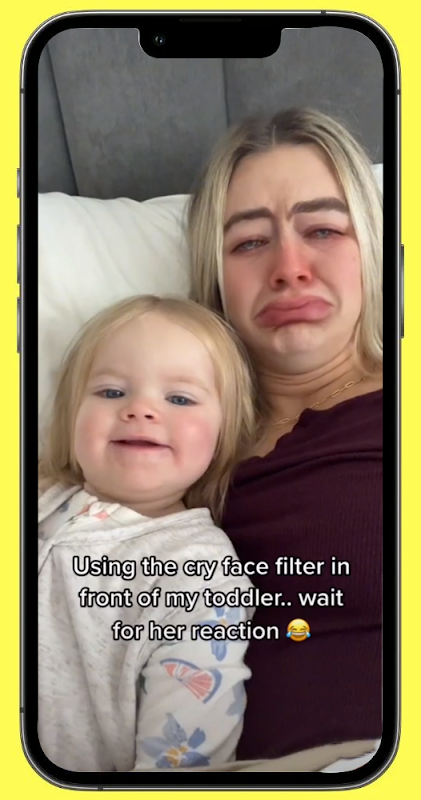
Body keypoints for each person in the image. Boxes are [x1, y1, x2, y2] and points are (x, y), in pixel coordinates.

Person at [188, 108, 383, 769]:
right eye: (249, 243)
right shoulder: (168, 441)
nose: (289, 268)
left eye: (323, 229)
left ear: (372, 247)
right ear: (214, 276)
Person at [38, 294, 259, 772]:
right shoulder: (38, 500)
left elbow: (185, 758)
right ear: (72, 416)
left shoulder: (199, 570)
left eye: (179, 399)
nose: (140, 409)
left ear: (223, 434)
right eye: (111, 392)